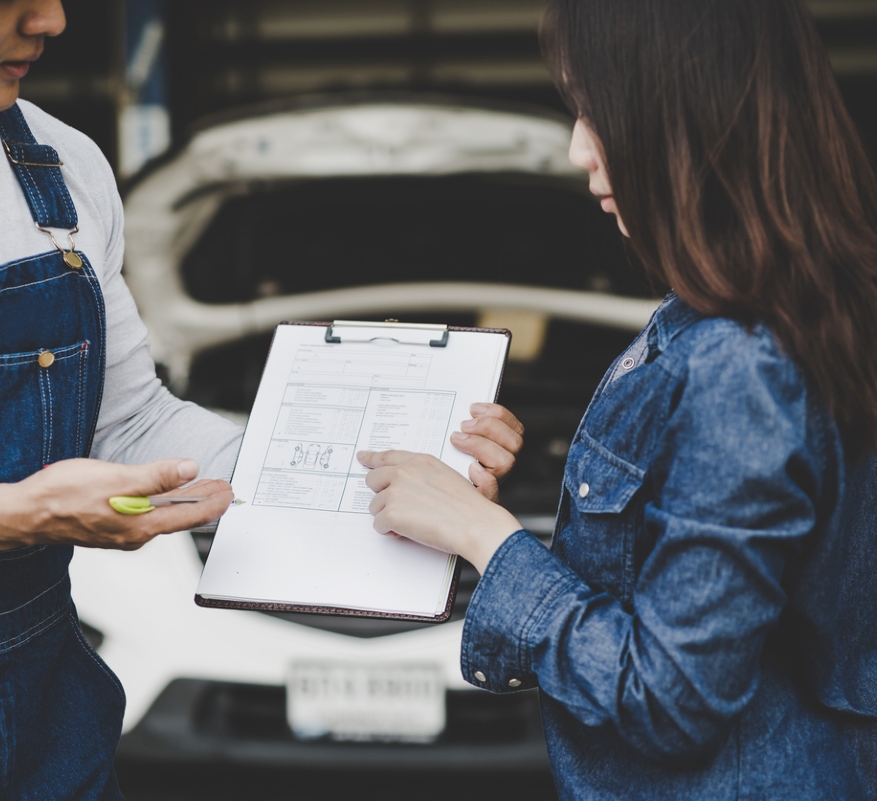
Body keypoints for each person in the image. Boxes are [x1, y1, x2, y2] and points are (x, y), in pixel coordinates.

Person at [0, 1, 521, 797]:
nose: (52, 19)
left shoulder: (59, 164)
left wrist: (388, 479)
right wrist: (6, 515)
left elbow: (133, 422)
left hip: (47, 738)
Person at [357, 0, 877, 798]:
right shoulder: (738, 319)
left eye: (593, 110)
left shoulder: (743, 366)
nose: (575, 148)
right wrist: (469, 515)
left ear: (679, 117)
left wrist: (487, 537)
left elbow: (670, 699)